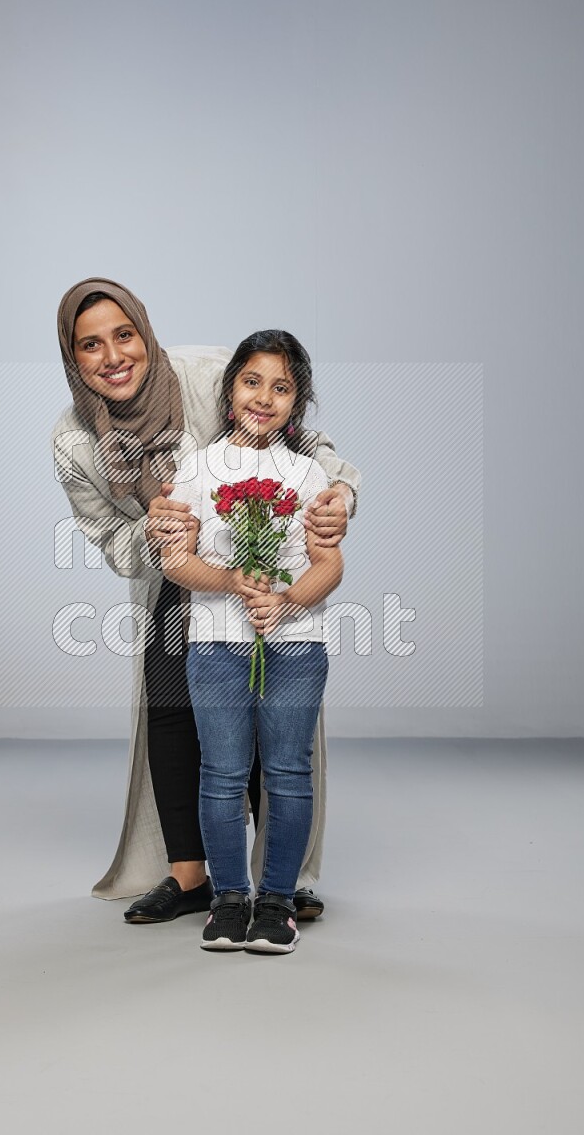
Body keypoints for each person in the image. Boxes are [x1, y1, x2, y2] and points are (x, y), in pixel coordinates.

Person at [52, 278, 361, 921]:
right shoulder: (73, 442)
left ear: (145, 332)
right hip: (177, 577)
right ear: (71, 356)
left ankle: (278, 875)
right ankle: (191, 877)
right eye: (91, 345)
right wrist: (156, 529)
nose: (113, 356)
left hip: (264, 572)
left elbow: (309, 444)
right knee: (170, 711)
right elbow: (113, 542)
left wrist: (339, 498)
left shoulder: (211, 374)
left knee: (266, 715)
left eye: (125, 335)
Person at [162, 330, 342, 954]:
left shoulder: (308, 471)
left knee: (289, 772)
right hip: (215, 643)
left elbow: (329, 563)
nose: (264, 397)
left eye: (282, 387)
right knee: (222, 773)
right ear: (231, 387)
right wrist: (234, 580)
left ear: (298, 402)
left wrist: (288, 596)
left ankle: (277, 902)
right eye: (252, 381)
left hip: (294, 646)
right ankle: (229, 899)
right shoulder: (199, 467)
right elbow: (176, 562)